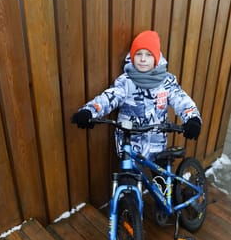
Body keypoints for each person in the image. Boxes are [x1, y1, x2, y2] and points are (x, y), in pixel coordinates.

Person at [71, 30, 201, 161]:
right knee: (128, 178)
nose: (143, 59)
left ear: (156, 58)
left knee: (160, 180)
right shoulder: (126, 82)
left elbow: (181, 100)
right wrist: (89, 111)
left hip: (157, 144)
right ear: (132, 56)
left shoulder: (166, 82)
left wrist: (192, 119)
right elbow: (109, 98)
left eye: (149, 55)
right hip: (129, 145)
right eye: (138, 54)